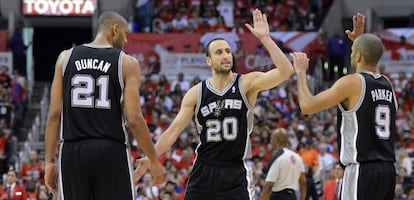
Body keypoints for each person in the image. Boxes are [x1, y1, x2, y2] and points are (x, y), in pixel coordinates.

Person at [136, 8, 294, 200]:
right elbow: (173, 131)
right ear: (208, 61)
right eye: (219, 52)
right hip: (204, 168)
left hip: (235, 171)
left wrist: (266, 39)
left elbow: (286, 71)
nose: (226, 55)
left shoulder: (246, 83)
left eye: (228, 51)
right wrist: (152, 157)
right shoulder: (196, 93)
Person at [43, 11, 165, 199]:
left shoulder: (65, 58)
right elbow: (134, 119)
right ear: (115, 29)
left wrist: (49, 161)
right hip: (111, 150)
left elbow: (53, 114)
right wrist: (154, 160)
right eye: (125, 34)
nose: (125, 41)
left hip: (72, 150)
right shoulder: (126, 62)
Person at [291, 13, 397, 200]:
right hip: (388, 170)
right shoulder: (387, 83)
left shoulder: (351, 83)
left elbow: (307, 106)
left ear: (358, 55)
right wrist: (360, 40)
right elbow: (371, 64)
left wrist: (301, 73)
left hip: (361, 169)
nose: (350, 54)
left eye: (352, 51)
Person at [260, 128, 306, 200]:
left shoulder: (278, 156)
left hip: (278, 196)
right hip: (292, 196)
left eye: (272, 139)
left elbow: (268, 185)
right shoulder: (297, 157)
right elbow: (303, 182)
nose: (271, 141)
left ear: (277, 140)